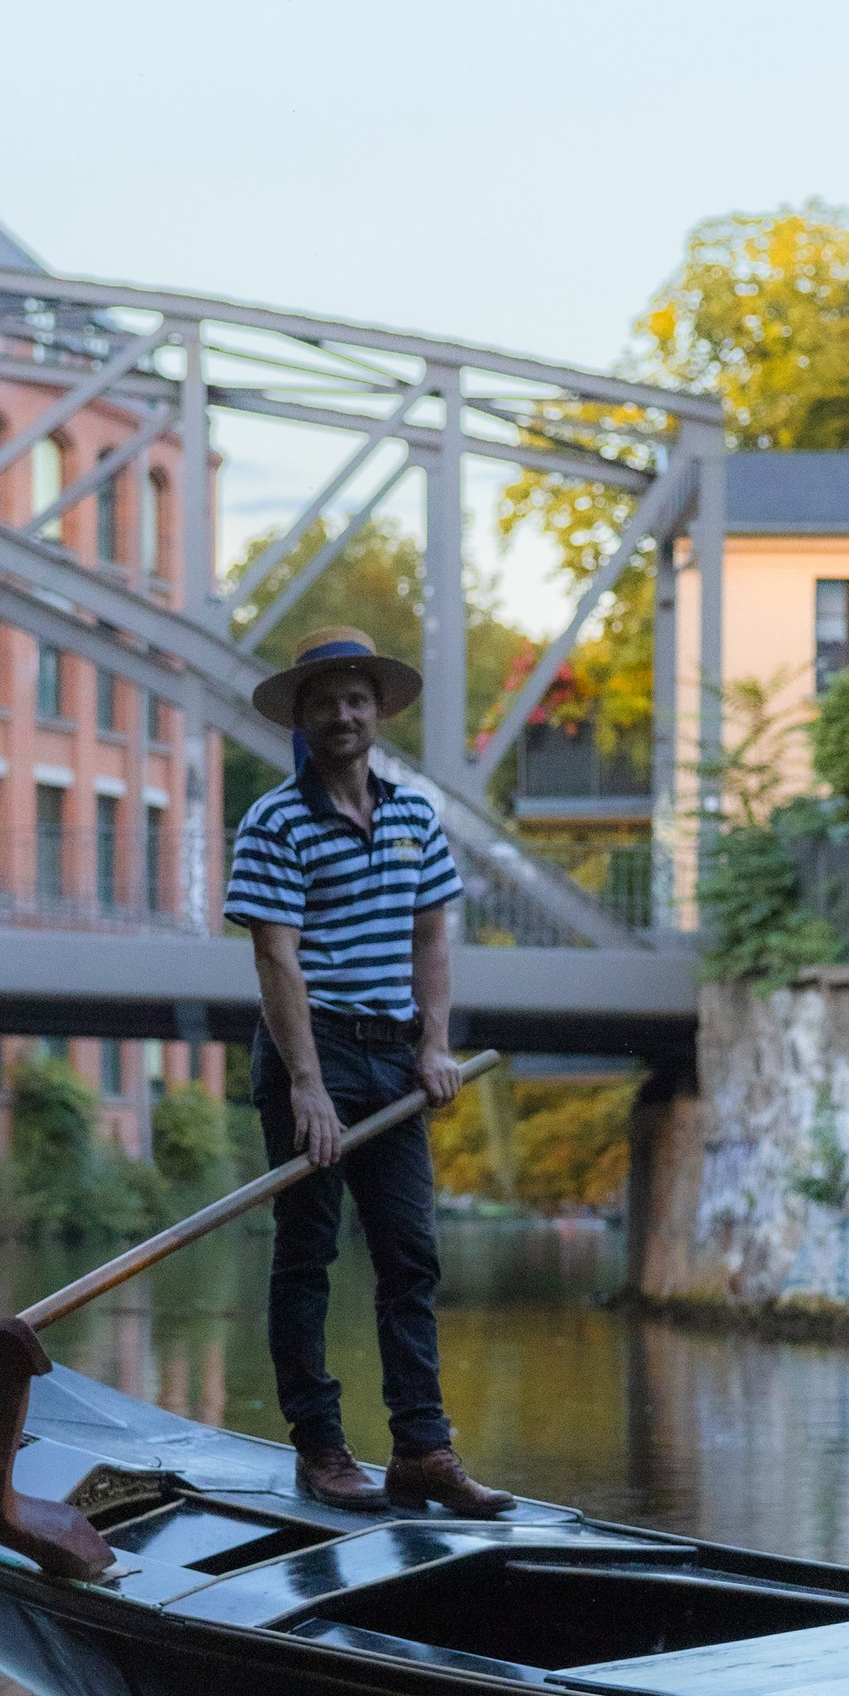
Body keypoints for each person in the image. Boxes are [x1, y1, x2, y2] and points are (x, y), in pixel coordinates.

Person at [223, 624, 511, 1516]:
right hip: (314, 1053)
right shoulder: (274, 822)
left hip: (393, 1056)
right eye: (325, 703)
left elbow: (432, 936)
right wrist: (307, 1085)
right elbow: (278, 960)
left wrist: (432, 1043)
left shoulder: (416, 816)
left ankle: (422, 1450)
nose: (342, 715)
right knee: (307, 1254)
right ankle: (321, 1449)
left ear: (376, 712)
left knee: (410, 1256)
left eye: (356, 699)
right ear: (302, 721)